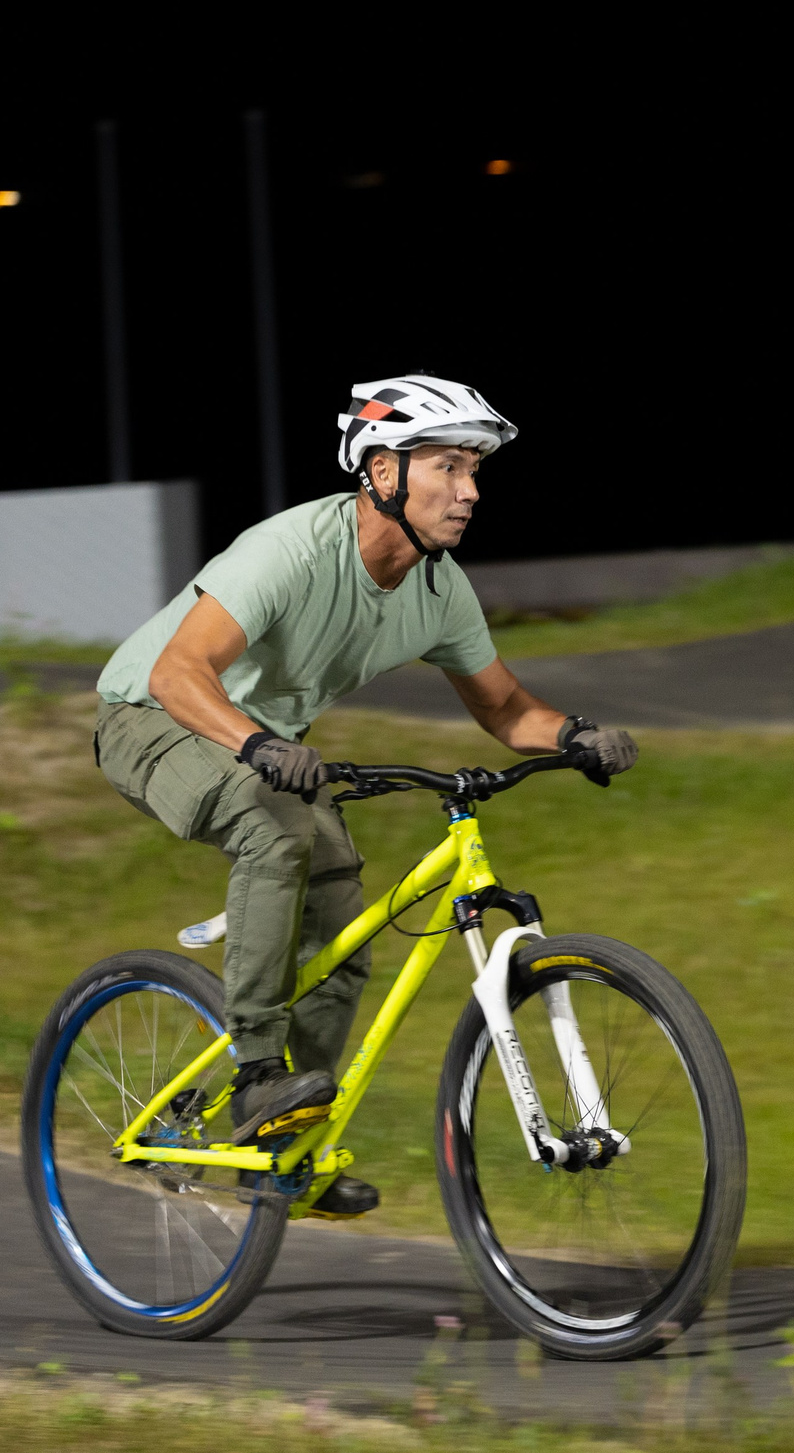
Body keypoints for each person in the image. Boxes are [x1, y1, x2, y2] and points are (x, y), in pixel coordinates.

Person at [90, 374, 638, 1218]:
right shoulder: (291, 550)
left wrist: (574, 736)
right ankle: (259, 1077)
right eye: (449, 467)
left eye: (475, 471)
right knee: (276, 835)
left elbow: (503, 709)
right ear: (383, 472)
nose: (469, 490)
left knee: (343, 923)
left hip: (260, 742)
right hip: (152, 717)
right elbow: (177, 671)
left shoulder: (438, 588)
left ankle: (284, 1148)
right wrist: (261, 743)